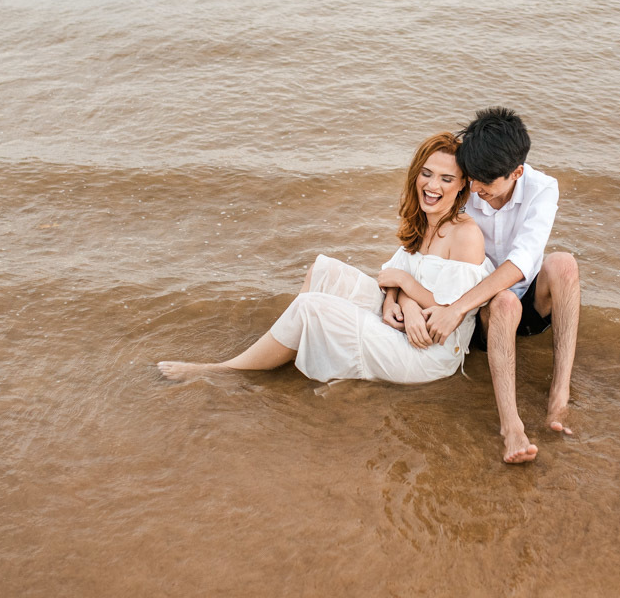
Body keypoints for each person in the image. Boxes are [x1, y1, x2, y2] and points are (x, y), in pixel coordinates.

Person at [158, 133, 494, 385]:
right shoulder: (424, 221)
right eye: (427, 173)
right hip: (407, 322)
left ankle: (226, 371)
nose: (433, 185)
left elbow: (452, 309)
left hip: (428, 353)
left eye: (446, 179)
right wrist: (399, 300)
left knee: (311, 307)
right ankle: (292, 346)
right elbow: (389, 274)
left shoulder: (464, 234)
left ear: (463, 185)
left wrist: (404, 287)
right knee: (324, 270)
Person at [411, 108, 581, 464]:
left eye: (486, 183)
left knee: (563, 264)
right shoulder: (466, 182)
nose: (475, 189)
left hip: (526, 308)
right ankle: (511, 426)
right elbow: (419, 242)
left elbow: (522, 263)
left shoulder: (542, 188)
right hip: (483, 315)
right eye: (472, 179)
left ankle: (558, 397)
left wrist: (452, 310)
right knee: (503, 301)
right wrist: (404, 296)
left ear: (516, 172)